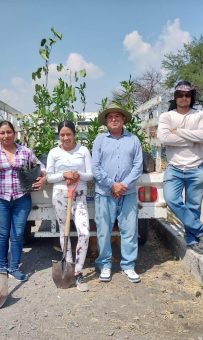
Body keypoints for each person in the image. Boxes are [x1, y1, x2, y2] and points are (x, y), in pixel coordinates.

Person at [0, 120, 46, 282]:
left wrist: (43, 178)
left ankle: (14, 267)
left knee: (17, 234)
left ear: (14, 134)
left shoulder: (24, 151)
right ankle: (2, 266)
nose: (6, 136)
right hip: (0, 199)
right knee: (2, 234)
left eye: (9, 132)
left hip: (21, 199)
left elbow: (40, 166)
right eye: (2, 133)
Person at [157, 81, 203, 254]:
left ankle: (192, 240)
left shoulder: (201, 115)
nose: (183, 98)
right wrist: (195, 138)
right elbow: (165, 139)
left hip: (196, 167)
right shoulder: (167, 117)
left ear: (191, 97)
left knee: (193, 207)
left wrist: (178, 132)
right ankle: (202, 229)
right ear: (175, 97)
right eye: (180, 94)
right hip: (174, 167)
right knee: (172, 199)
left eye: (187, 95)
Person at [92, 102, 143, 283]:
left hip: (127, 193)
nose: (114, 119)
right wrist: (112, 185)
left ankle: (128, 266)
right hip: (105, 193)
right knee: (103, 231)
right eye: (110, 117)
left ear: (123, 119)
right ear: (106, 121)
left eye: (117, 116)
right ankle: (105, 264)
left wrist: (123, 185)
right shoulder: (99, 140)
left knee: (129, 230)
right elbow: (95, 167)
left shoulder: (133, 140)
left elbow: (138, 166)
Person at [46, 121, 93, 292]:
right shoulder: (54, 152)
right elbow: (49, 177)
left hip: (79, 195)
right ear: (59, 135)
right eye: (62, 134)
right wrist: (64, 174)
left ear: (74, 134)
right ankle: (68, 264)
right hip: (60, 195)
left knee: (84, 232)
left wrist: (78, 175)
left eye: (69, 134)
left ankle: (78, 271)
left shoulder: (83, 150)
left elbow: (91, 175)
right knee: (64, 231)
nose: (65, 138)